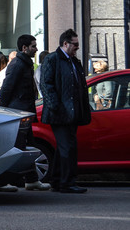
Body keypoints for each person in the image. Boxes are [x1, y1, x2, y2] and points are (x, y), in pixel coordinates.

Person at [39, 29, 91, 194]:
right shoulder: (53, 59)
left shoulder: (74, 61)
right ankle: (67, 183)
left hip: (72, 113)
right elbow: (46, 85)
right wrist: (56, 107)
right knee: (67, 147)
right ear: (65, 43)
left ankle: (58, 180)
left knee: (65, 147)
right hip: (61, 113)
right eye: (75, 44)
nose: (77, 47)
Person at [0, 34, 51, 192]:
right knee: (17, 147)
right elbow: (6, 88)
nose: (36, 49)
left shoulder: (24, 63)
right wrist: (5, 111)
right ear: (24, 48)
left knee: (27, 146)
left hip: (22, 113)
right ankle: (2, 182)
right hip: (18, 113)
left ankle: (31, 179)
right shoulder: (18, 64)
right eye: (33, 46)